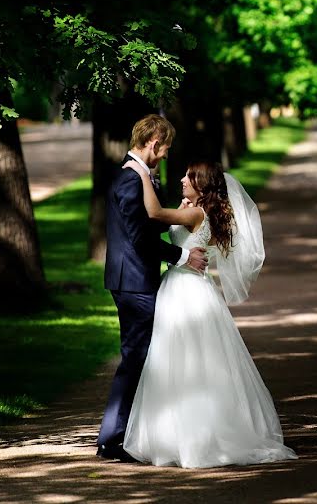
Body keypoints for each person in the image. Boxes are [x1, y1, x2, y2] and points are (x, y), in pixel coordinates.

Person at [119, 158, 297, 468]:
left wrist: (142, 175)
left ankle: (188, 437)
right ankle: (189, 433)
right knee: (193, 359)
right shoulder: (202, 211)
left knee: (181, 360)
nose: (182, 181)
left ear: (202, 184)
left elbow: (154, 214)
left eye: (189, 178)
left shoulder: (195, 214)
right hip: (193, 288)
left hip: (184, 290)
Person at [97, 114, 209, 462]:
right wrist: (181, 256)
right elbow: (140, 238)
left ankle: (124, 435)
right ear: (153, 142)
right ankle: (113, 440)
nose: (164, 156)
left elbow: (151, 223)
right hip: (133, 282)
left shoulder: (138, 178)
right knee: (136, 358)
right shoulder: (132, 180)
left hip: (134, 279)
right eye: (164, 149)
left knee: (141, 357)